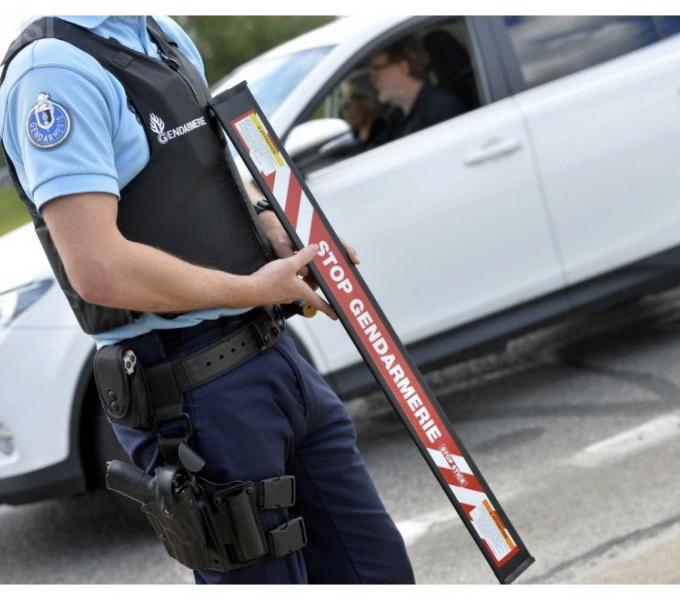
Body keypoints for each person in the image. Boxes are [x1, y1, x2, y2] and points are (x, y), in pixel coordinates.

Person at [0, 15, 414, 584]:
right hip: (190, 390)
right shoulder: (51, 72)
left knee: (378, 572)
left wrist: (272, 222)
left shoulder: (159, 33)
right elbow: (97, 267)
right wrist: (250, 288)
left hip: (272, 351)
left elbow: (206, 172)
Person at [369, 35, 465, 143]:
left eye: (377, 69)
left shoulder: (441, 109)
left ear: (403, 68)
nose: (373, 79)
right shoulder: (395, 117)